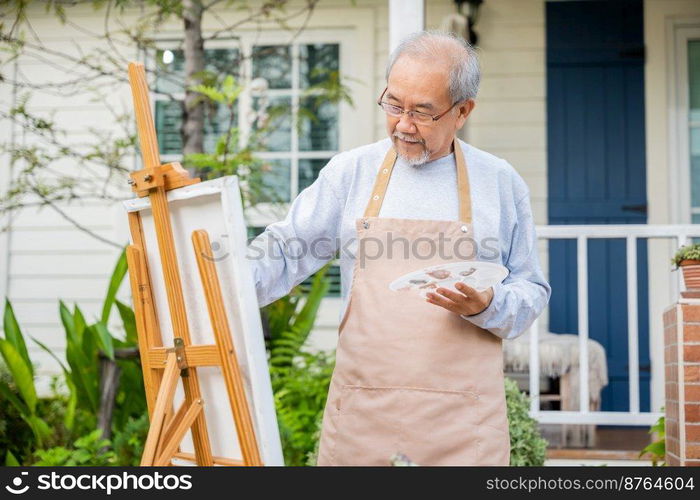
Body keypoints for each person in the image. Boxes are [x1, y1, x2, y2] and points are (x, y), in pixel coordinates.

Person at [246, 30, 551, 466]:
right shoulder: (350, 173)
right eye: (393, 105)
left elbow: (531, 290)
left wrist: (489, 304)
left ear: (462, 111)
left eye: (422, 113)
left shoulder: (499, 182)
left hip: (463, 428)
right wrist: (210, 285)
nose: (403, 125)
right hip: (363, 417)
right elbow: (284, 252)